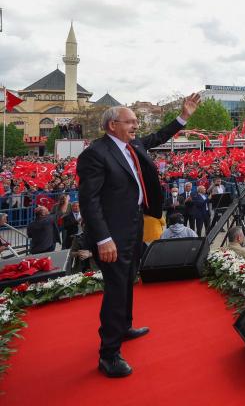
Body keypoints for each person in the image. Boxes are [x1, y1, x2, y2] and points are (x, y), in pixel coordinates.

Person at [77, 95, 199, 378]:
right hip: (112, 232)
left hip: (134, 225)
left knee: (130, 278)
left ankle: (124, 326)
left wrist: (184, 116)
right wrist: (103, 239)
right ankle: (109, 355)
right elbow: (89, 202)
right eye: (130, 121)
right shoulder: (95, 154)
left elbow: (159, 135)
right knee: (116, 288)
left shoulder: (133, 144)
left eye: (136, 121)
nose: (136, 125)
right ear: (112, 125)